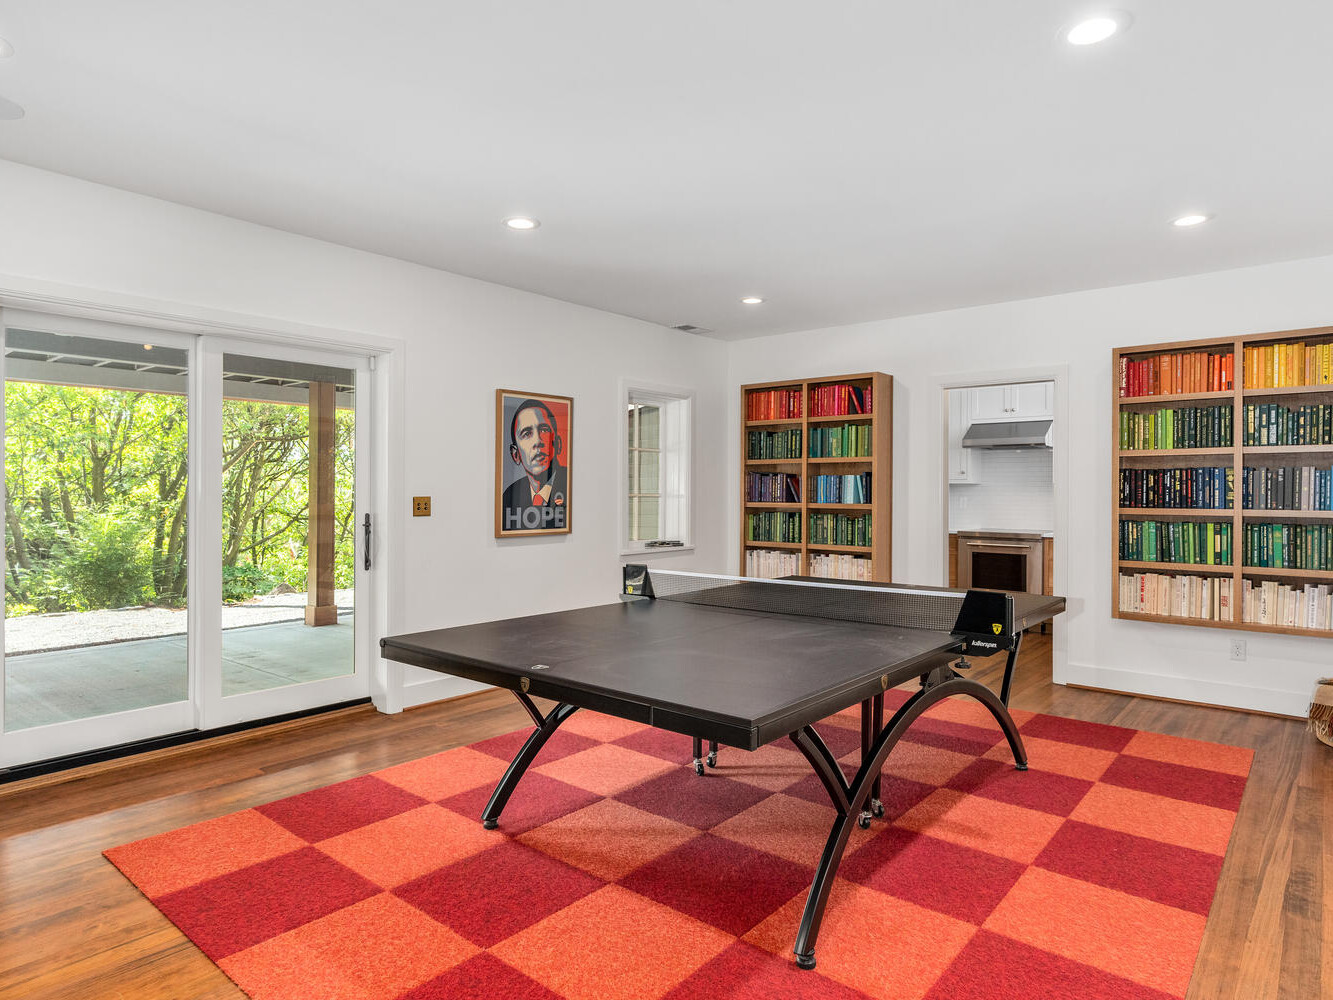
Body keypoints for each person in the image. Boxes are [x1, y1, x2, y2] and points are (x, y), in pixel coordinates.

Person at [501, 398, 568, 531]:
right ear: (515, 454)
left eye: (544, 430)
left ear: (558, 444)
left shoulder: (571, 486)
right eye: (526, 434)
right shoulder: (509, 496)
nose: (538, 441)